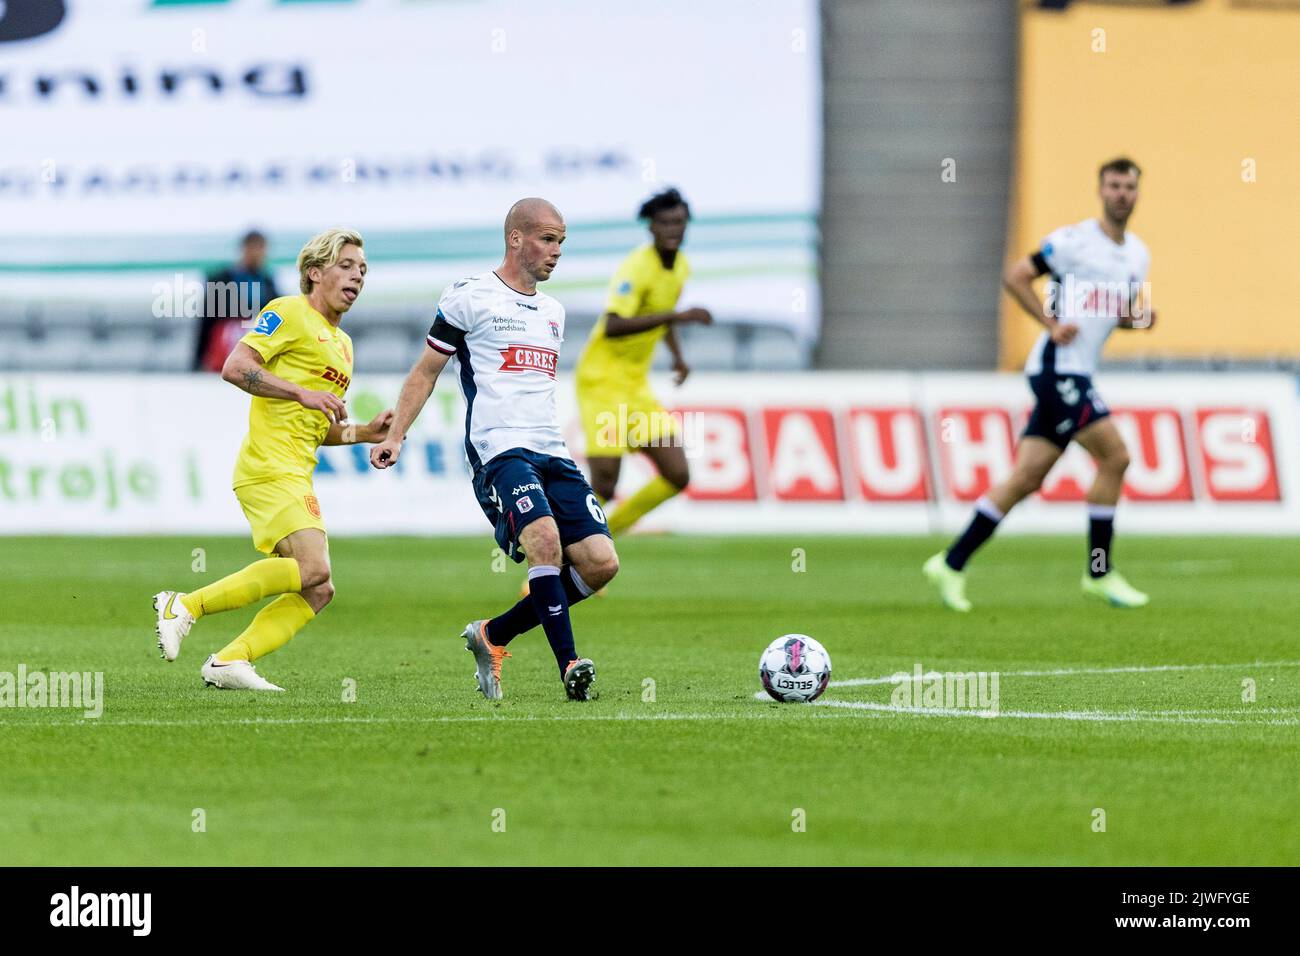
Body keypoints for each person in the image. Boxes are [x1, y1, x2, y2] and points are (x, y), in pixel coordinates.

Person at [370, 198, 618, 701]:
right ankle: (570, 666)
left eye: (561, 243)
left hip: (552, 450)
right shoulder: (470, 296)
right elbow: (426, 371)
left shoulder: (553, 311)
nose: (556, 252)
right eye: (548, 239)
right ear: (515, 238)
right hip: (499, 448)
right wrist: (396, 433)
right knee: (544, 544)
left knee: (599, 562)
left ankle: (494, 634)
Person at [153, 228, 394, 690]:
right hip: (268, 468)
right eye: (346, 266)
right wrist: (301, 391)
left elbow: (317, 427)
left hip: (295, 470)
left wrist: (363, 433)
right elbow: (236, 367)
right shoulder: (287, 311)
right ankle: (183, 605)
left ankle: (229, 660)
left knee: (318, 589)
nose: (357, 276)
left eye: (362, 270)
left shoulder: (343, 347)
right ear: (314, 272)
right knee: (314, 569)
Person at [924, 158, 1155, 611]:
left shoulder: (1138, 255)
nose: (1122, 193)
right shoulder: (1073, 242)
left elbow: (1116, 315)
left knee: (1026, 478)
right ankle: (1099, 571)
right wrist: (1049, 323)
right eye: (1114, 185)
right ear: (1100, 190)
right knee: (1117, 456)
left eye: (1129, 186)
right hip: (1057, 369)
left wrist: (1139, 320)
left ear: (1137, 193)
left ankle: (950, 563)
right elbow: (1016, 275)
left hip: (1079, 372)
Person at [574, 187, 712, 533]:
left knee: (676, 475)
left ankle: (601, 540)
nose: (672, 229)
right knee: (604, 484)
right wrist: (678, 317)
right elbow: (613, 325)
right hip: (602, 381)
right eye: (664, 223)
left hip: (635, 385)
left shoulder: (680, 267)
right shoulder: (636, 268)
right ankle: (560, 556)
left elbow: (660, 316)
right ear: (651, 228)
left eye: (679, 222)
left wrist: (678, 357)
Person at [194, 229, 281, 372]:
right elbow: (207, 320)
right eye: (255, 248)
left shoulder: (267, 281)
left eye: (262, 249)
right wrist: (200, 357)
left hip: (256, 349)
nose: (259, 254)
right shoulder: (222, 279)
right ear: (244, 248)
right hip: (225, 348)